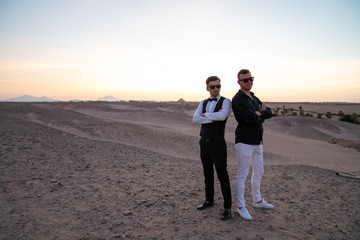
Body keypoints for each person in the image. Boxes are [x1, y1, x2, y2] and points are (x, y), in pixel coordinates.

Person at [232, 69, 274, 221]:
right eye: (245, 80)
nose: (248, 81)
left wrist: (261, 113)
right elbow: (251, 118)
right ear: (239, 82)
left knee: (259, 171)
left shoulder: (254, 97)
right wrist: (259, 115)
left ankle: (257, 201)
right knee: (242, 174)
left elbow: (269, 112)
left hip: (258, 141)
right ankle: (241, 206)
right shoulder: (238, 99)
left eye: (250, 79)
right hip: (244, 141)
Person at [193, 76, 232, 220]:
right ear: (207, 88)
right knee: (207, 173)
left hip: (218, 143)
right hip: (204, 142)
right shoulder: (203, 102)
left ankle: (227, 207)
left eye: (218, 86)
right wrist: (211, 117)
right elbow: (195, 119)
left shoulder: (226, 101)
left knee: (222, 175)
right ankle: (209, 200)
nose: (216, 89)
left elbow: (222, 116)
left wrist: (206, 116)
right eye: (213, 86)